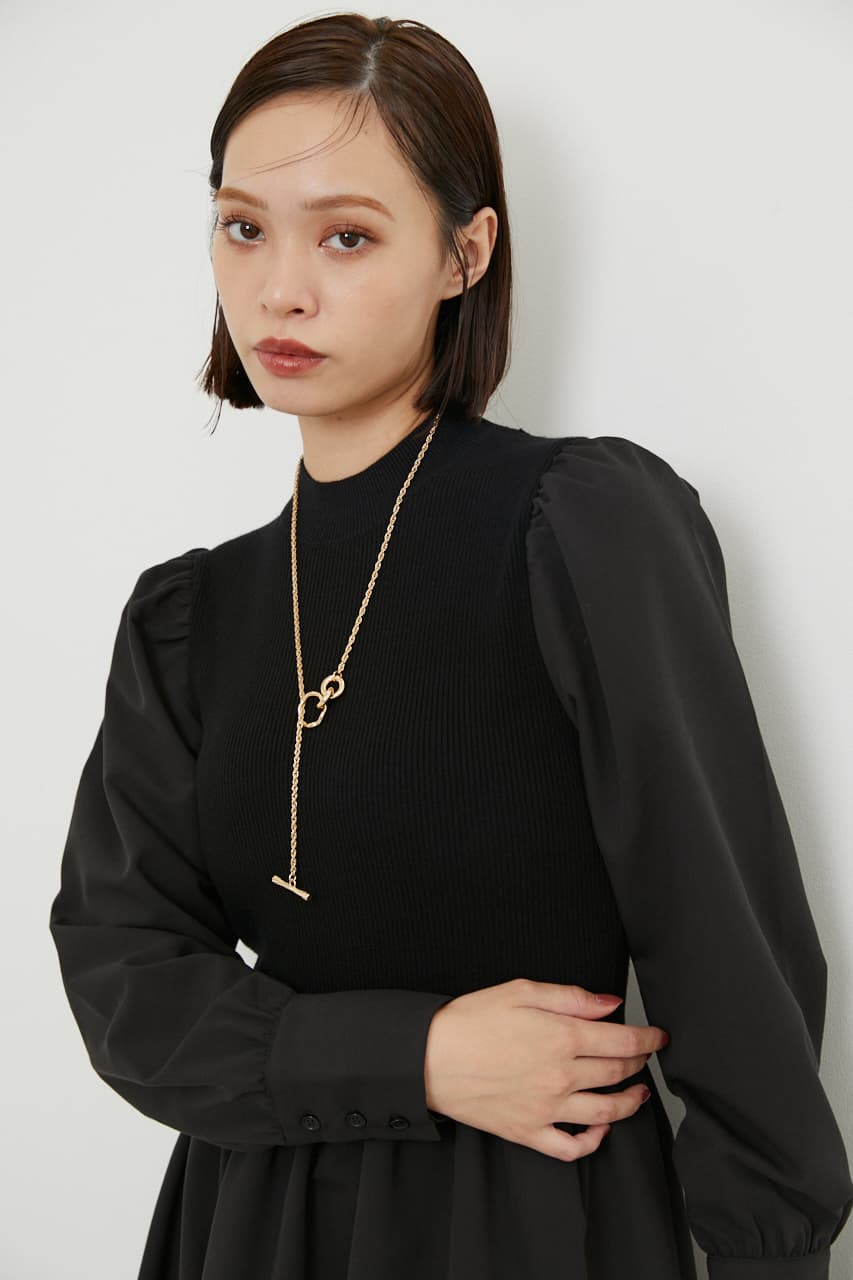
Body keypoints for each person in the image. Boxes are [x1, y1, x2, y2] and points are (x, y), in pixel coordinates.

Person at [48, 13, 852, 1280]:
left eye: (347, 236)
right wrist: (416, 1055)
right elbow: (125, 978)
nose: (280, 288)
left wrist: (769, 1255)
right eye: (243, 226)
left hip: (531, 1216)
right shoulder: (190, 617)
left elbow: (727, 945)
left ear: (463, 253)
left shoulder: (580, 527)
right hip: (249, 1219)